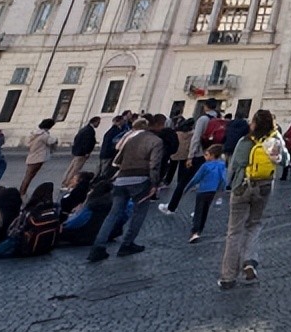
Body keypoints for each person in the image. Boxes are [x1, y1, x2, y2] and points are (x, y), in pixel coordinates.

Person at [217, 108, 285, 288]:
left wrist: (227, 185)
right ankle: (249, 261)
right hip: (263, 187)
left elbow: (235, 164)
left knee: (234, 231)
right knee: (254, 224)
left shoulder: (245, 141)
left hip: (242, 187)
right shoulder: (274, 141)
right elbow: (283, 161)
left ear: (254, 123)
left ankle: (228, 277)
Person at [87, 114, 164, 263]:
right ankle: (127, 244)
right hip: (141, 179)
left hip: (122, 178)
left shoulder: (131, 139)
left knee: (113, 214)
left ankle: (98, 248)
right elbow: (154, 165)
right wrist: (155, 184)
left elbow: (119, 159)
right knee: (139, 213)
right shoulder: (156, 141)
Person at [163, 100, 218, 214]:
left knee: (183, 182)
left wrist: (190, 156)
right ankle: (200, 211)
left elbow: (196, 138)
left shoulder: (203, 119)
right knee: (207, 184)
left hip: (199, 155)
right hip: (212, 155)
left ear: (206, 106)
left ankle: (171, 207)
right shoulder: (218, 119)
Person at [182, 145, 227, 243]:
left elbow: (196, 178)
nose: (205, 157)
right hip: (212, 192)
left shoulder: (205, 166)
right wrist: (221, 191)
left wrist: (187, 188)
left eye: (206, 155)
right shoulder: (221, 165)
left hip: (202, 190)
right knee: (205, 210)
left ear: (212, 155)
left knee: (198, 210)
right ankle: (199, 230)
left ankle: (194, 231)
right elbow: (223, 179)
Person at [19, 118, 58, 196]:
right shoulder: (44, 135)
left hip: (32, 156)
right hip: (38, 157)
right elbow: (52, 141)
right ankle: (22, 192)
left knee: (28, 176)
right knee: (29, 176)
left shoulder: (35, 133)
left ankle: (22, 191)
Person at [63, 117, 100, 187]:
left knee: (71, 168)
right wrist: (86, 152)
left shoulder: (84, 129)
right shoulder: (90, 130)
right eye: (98, 123)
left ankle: (65, 181)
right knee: (75, 169)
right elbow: (87, 142)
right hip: (82, 153)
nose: (98, 124)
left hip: (77, 151)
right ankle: (68, 183)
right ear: (94, 122)